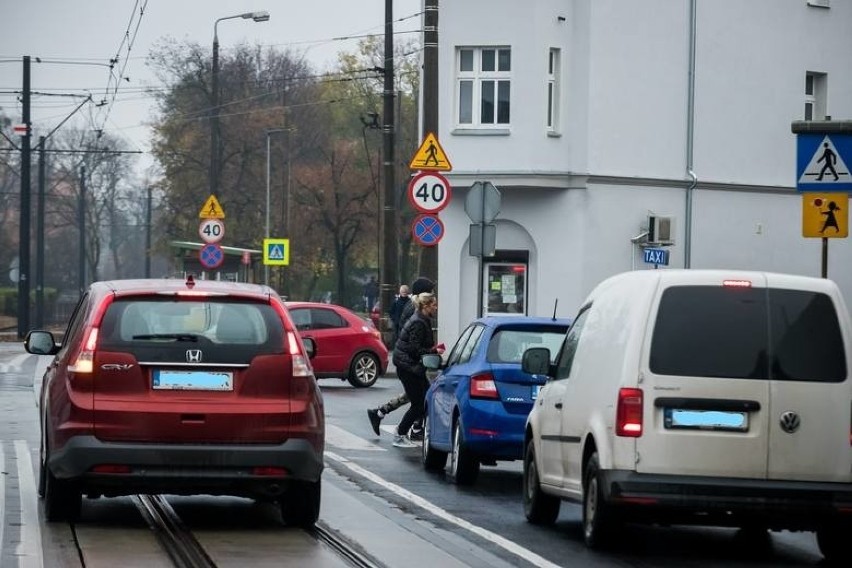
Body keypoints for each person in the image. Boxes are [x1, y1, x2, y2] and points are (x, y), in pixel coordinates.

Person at [367, 276, 436, 437]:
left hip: (409, 361)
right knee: (420, 398)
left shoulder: (414, 307)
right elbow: (413, 342)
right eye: (431, 291)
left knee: (416, 396)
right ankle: (412, 428)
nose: (434, 294)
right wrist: (430, 351)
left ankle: (380, 413)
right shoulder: (415, 310)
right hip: (409, 361)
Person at [387, 292, 443, 448]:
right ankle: (399, 435)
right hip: (408, 368)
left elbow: (415, 347)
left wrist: (431, 350)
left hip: (411, 367)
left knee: (424, 400)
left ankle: (405, 432)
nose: (436, 308)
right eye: (434, 305)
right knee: (419, 404)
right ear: (426, 306)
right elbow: (414, 349)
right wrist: (433, 351)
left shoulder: (421, 319)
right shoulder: (419, 322)